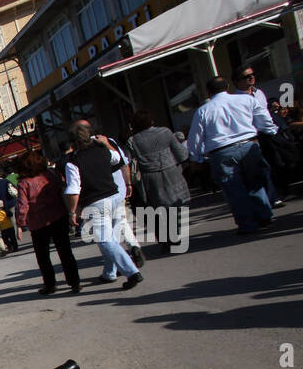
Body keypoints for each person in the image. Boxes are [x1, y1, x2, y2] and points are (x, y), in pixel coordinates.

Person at [185, 76, 277, 234]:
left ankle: (247, 224)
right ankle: (264, 216)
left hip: (222, 152)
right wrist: (271, 131)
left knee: (234, 189)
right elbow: (264, 119)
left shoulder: (203, 111)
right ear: (227, 86)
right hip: (249, 144)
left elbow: (195, 139)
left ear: (208, 91)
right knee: (255, 182)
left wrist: (196, 157)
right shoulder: (246, 100)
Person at [63, 121, 143, 290]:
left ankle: (131, 271)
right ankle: (110, 272)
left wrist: (72, 212)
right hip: (114, 196)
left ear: (72, 141)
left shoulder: (73, 161)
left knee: (106, 240)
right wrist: (106, 144)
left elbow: (73, 189)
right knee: (112, 237)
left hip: (95, 202)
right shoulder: (103, 150)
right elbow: (118, 160)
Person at [15, 152, 79, 295]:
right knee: (65, 251)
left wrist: (20, 224)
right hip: (58, 216)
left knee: (43, 256)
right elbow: (63, 187)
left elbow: (22, 205)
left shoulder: (24, 183)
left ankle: (50, 284)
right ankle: (74, 282)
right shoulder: (51, 174)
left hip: (38, 223)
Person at [126, 109, 191, 238]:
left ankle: (165, 237)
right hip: (172, 173)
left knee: (156, 208)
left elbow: (128, 163)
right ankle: (174, 234)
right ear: (151, 121)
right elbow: (182, 155)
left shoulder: (132, 141)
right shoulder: (165, 132)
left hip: (149, 178)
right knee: (173, 205)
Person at [232, 64, 283, 205]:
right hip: (252, 136)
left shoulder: (258, 92)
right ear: (237, 81)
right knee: (261, 167)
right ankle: (272, 197)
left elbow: (263, 113)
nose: (251, 78)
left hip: (267, 132)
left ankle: (278, 191)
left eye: (252, 75)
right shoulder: (235, 99)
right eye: (246, 77)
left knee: (274, 162)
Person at [0, 168, 20, 252]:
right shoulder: (7, 181)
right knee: (13, 222)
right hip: (11, 204)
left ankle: (9, 244)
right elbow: (14, 190)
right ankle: (16, 240)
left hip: (0, 207)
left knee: (3, 225)